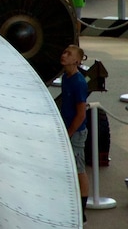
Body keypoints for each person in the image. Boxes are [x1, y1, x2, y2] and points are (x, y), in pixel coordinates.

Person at [59, 44, 90, 224]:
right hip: (69, 129)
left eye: (68, 54)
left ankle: (82, 210)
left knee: (79, 170)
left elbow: (81, 113)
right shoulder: (66, 77)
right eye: (64, 51)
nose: (64, 55)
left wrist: (69, 133)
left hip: (75, 132)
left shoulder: (78, 83)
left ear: (76, 61)